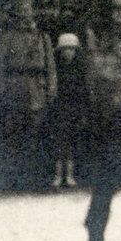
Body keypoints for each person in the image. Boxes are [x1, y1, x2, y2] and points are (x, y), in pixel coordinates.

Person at [0, 0, 57, 188]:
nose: (24, 17)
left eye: (27, 12)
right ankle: (15, 179)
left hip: (37, 89)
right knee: (14, 135)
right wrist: (0, 89)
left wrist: (51, 90)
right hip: (14, 88)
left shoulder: (42, 37)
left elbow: (50, 67)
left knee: (35, 135)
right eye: (20, 13)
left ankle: (34, 178)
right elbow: (0, 66)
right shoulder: (7, 38)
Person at [46, 32, 86, 187]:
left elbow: (83, 92)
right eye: (65, 49)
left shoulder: (80, 71)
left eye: (71, 49)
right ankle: (57, 176)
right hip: (59, 109)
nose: (68, 53)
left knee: (72, 143)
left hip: (74, 110)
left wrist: (82, 111)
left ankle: (69, 175)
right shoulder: (56, 69)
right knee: (59, 143)